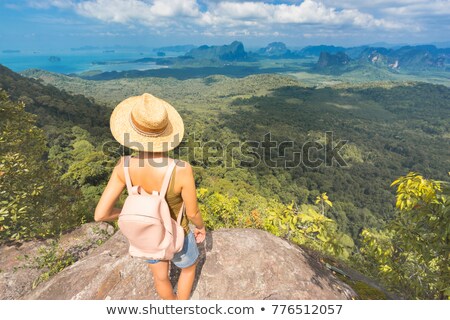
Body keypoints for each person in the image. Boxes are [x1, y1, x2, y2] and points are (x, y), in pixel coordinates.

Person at [94, 93, 206, 300]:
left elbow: (100, 214)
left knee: (161, 277)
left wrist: (132, 216)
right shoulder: (180, 169)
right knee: (189, 268)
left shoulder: (123, 166)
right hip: (177, 232)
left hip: (148, 236)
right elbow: (193, 212)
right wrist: (200, 227)